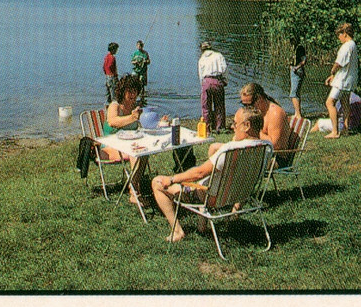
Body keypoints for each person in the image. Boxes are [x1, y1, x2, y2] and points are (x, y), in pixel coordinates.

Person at [149, 105, 269, 243]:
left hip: (213, 198)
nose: (232, 127)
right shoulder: (265, 148)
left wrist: (172, 178)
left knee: (157, 182)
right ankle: (202, 224)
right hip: (240, 194)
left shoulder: (230, 151)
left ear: (247, 125)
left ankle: (177, 231)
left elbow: (199, 173)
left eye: (235, 123)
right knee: (207, 175)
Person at [102, 74, 150, 204]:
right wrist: (132, 118)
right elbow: (113, 121)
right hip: (108, 148)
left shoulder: (135, 107)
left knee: (144, 152)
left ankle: (134, 184)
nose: (133, 94)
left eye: (135, 91)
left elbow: (141, 126)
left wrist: (158, 123)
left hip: (127, 145)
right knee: (136, 153)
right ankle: (134, 192)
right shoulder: (115, 105)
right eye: (130, 91)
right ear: (123, 91)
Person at [323, 22, 359, 138]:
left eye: (339, 35)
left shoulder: (346, 46)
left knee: (330, 102)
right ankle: (345, 129)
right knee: (345, 103)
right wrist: (334, 76)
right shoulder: (353, 45)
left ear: (344, 33)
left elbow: (339, 63)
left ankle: (335, 131)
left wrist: (332, 72)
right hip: (349, 80)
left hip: (342, 81)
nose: (339, 38)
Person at [238, 81, 290, 152]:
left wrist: (254, 131)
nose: (247, 108)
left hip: (276, 158)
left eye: (249, 104)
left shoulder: (275, 114)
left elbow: (276, 145)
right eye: (244, 105)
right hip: (259, 153)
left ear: (259, 98)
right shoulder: (255, 112)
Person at [197, 41, 228, 132]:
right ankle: (220, 127)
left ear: (202, 49)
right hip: (217, 81)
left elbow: (201, 75)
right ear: (211, 48)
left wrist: (202, 85)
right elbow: (224, 69)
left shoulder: (201, 59)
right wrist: (225, 80)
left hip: (206, 82)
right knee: (219, 106)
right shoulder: (219, 55)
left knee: (206, 106)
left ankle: (207, 128)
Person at [289, 41, 307, 120]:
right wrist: (291, 66)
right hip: (293, 71)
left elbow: (304, 61)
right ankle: (297, 113)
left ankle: (298, 115)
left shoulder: (300, 48)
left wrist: (296, 68)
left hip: (297, 71)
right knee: (296, 93)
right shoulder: (294, 48)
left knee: (293, 94)